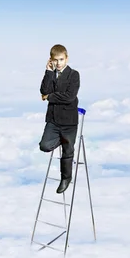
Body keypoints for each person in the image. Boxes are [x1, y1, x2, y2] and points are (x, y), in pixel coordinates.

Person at [38, 44, 80, 193]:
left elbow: (69, 97)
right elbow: (43, 90)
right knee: (44, 146)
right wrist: (48, 72)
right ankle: (61, 140)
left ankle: (66, 178)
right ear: (51, 60)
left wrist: (49, 97)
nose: (59, 63)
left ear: (66, 58)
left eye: (61, 59)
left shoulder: (74, 75)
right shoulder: (51, 73)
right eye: (55, 60)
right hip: (54, 120)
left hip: (69, 121)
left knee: (68, 151)